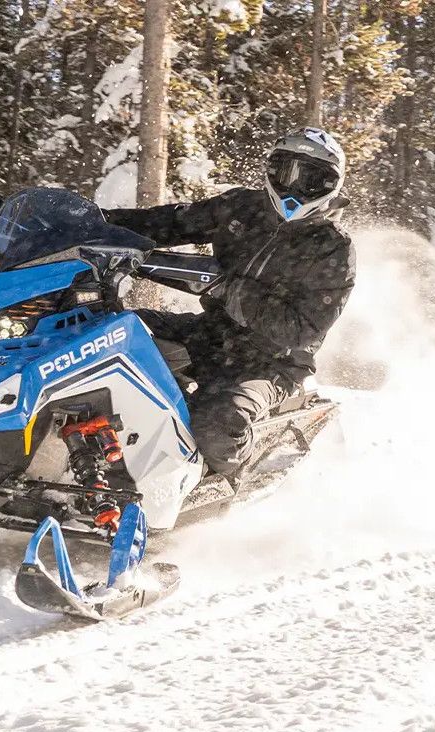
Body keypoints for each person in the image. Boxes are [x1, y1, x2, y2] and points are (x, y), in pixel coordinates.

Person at [102, 127, 355, 481]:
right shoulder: (241, 208)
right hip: (210, 334)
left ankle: (243, 472)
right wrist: (97, 224)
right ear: (271, 172)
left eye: (311, 179)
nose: (294, 188)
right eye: (286, 173)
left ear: (331, 186)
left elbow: (302, 330)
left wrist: (232, 291)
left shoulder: (332, 248)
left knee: (216, 423)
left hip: (272, 363)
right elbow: (169, 222)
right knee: (106, 331)